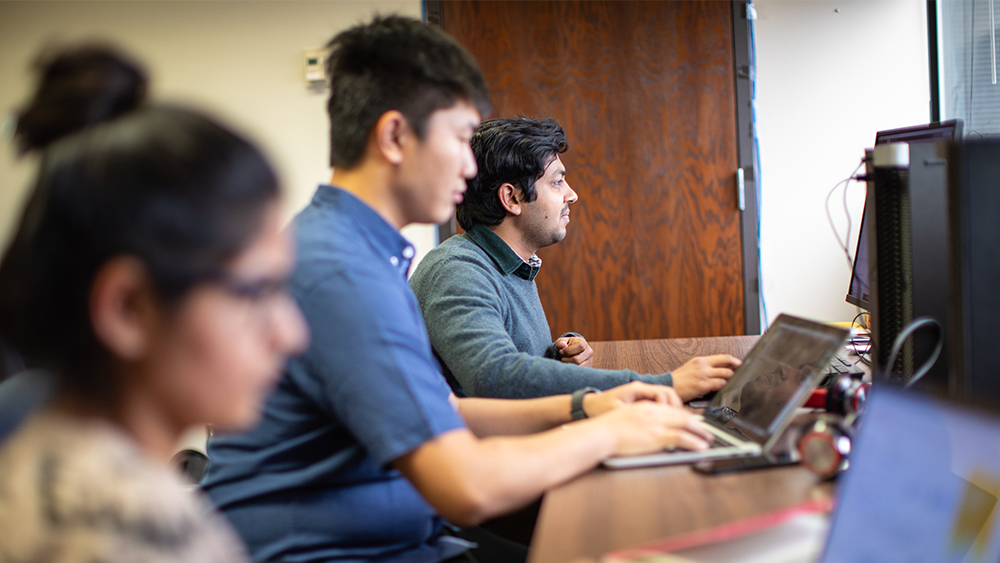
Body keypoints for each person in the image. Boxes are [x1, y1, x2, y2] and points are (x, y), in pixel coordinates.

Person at [202, 16, 711, 563]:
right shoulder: (344, 271)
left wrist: (597, 402)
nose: (470, 167)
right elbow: (468, 488)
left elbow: (443, 408)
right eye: (461, 139)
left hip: (400, 540)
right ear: (395, 136)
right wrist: (610, 431)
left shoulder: (357, 250)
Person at [0, 45, 308, 563]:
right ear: (128, 309)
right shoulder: (139, 541)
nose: (291, 333)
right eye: (256, 292)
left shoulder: (37, 445)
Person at [409, 116, 741, 401]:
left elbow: (504, 366)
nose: (571, 194)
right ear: (511, 198)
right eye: (557, 182)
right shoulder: (457, 270)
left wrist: (555, 357)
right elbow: (495, 378)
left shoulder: (510, 266)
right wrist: (663, 385)